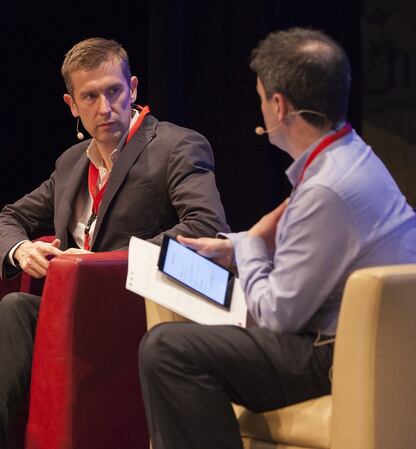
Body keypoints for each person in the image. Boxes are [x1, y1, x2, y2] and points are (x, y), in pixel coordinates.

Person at [0, 37, 229, 449]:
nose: (104, 107)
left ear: (133, 88)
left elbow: (204, 227)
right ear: (72, 104)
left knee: (18, 307)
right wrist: (20, 250)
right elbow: (9, 218)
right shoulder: (72, 163)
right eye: (89, 96)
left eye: (113, 91)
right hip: (60, 312)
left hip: (128, 310)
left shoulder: (175, 146)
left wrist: (95, 263)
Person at [138, 28, 416, 449]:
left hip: (333, 352)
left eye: (262, 97)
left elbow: (277, 316)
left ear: (279, 106)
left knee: (168, 350)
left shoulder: (325, 189)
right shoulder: (350, 154)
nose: (262, 108)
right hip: (352, 336)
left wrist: (249, 244)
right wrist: (237, 250)